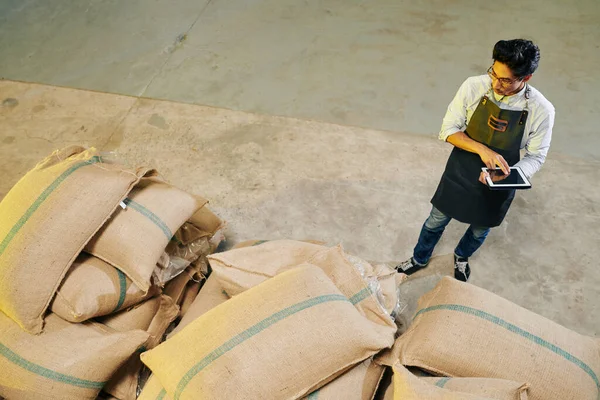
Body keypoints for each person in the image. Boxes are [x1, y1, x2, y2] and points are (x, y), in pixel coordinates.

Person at [396, 39, 555, 281]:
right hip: (461, 167)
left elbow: (536, 155)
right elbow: (448, 130)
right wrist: (482, 150)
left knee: (481, 228)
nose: (495, 83)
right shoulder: (474, 86)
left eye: (505, 80)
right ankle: (419, 257)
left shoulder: (541, 110)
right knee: (436, 219)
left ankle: (461, 257)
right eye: (494, 73)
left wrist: (507, 175)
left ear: (526, 78)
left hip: (502, 176)